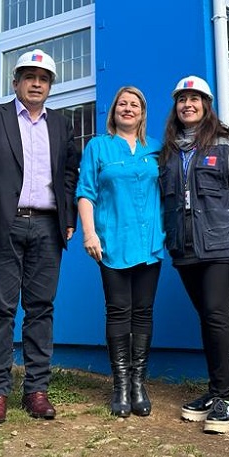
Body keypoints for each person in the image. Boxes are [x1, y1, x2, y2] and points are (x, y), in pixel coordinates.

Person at [0, 49, 79, 424]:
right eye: (29, 77)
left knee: (41, 309)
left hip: (47, 226)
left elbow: (69, 173)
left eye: (43, 79)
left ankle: (37, 390)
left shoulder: (60, 125)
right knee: (0, 308)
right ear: (16, 82)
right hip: (0, 226)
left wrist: (68, 216)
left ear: (50, 86)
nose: (36, 83)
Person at [159, 75, 229, 435]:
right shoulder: (168, 151)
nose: (188, 105)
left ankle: (224, 399)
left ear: (206, 104)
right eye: (182, 99)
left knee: (216, 314)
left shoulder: (225, 143)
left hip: (221, 245)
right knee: (208, 318)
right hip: (185, 247)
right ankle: (215, 390)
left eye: (195, 99)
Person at [76, 86, 164, 418]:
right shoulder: (98, 146)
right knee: (118, 310)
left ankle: (138, 384)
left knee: (143, 311)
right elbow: (86, 192)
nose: (128, 109)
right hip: (111, 240)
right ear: (114, 111)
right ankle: (121, 386)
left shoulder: (155, 148)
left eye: (135, 105)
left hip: (149, 241)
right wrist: (89, 232)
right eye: (122, 104)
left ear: (142, 113)